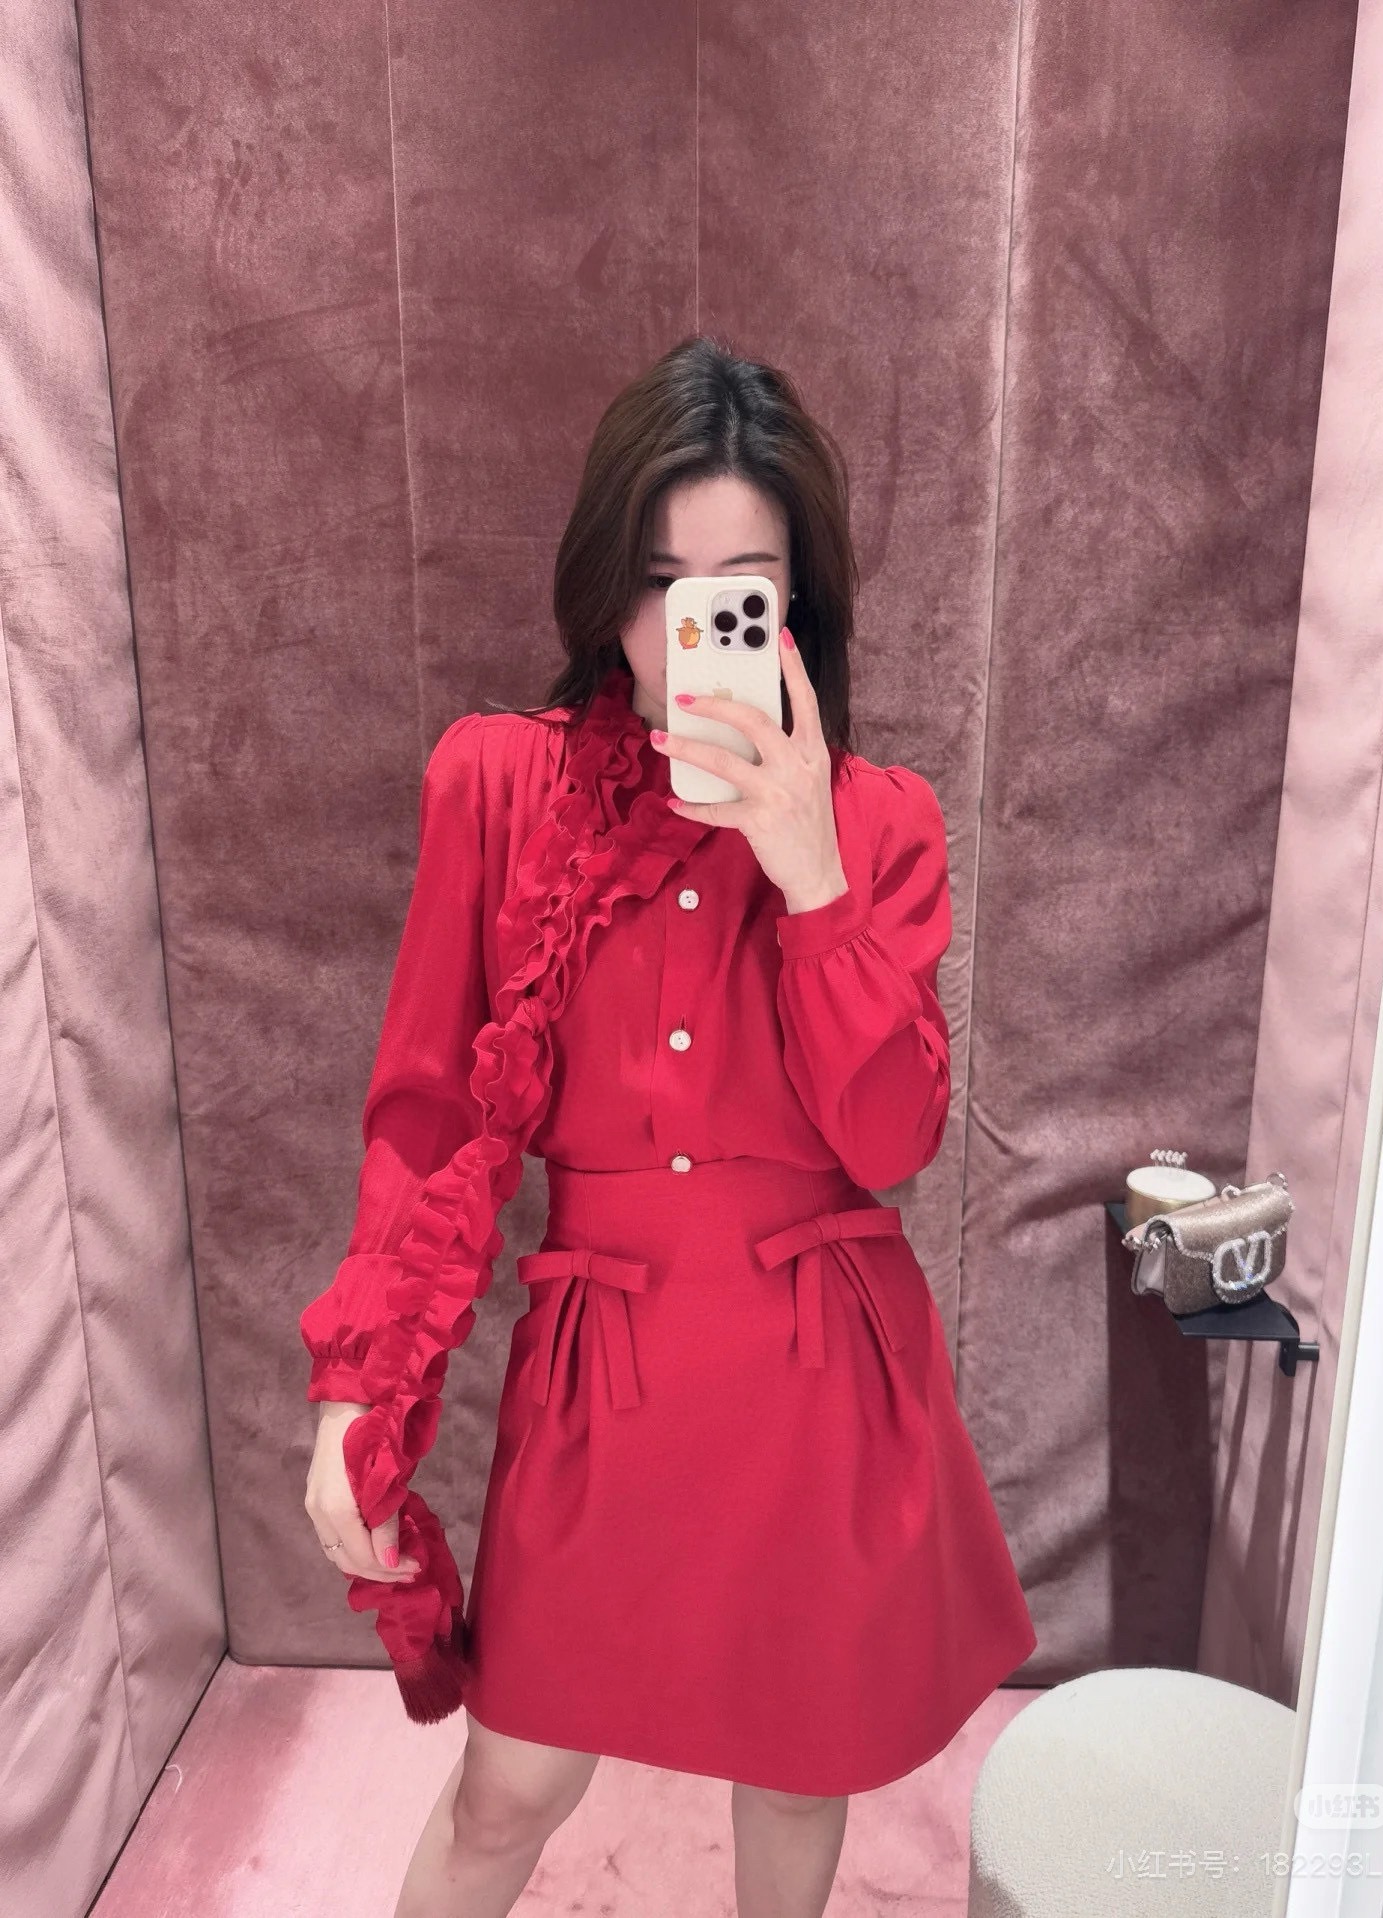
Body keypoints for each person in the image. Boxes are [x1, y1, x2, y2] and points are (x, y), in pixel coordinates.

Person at [300, 335, 1036, 1918]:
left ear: (796, 603)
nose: (687, 630)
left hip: (822, 1377)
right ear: (606, 588)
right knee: (510, 1787)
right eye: (658, 583)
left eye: (738, 592)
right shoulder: (497, 786)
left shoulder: (880, 821)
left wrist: (810, 873)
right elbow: (423, 1116)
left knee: (797, 1767)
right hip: (603, 1377)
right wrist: (356, 1389)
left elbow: (893, 1137)